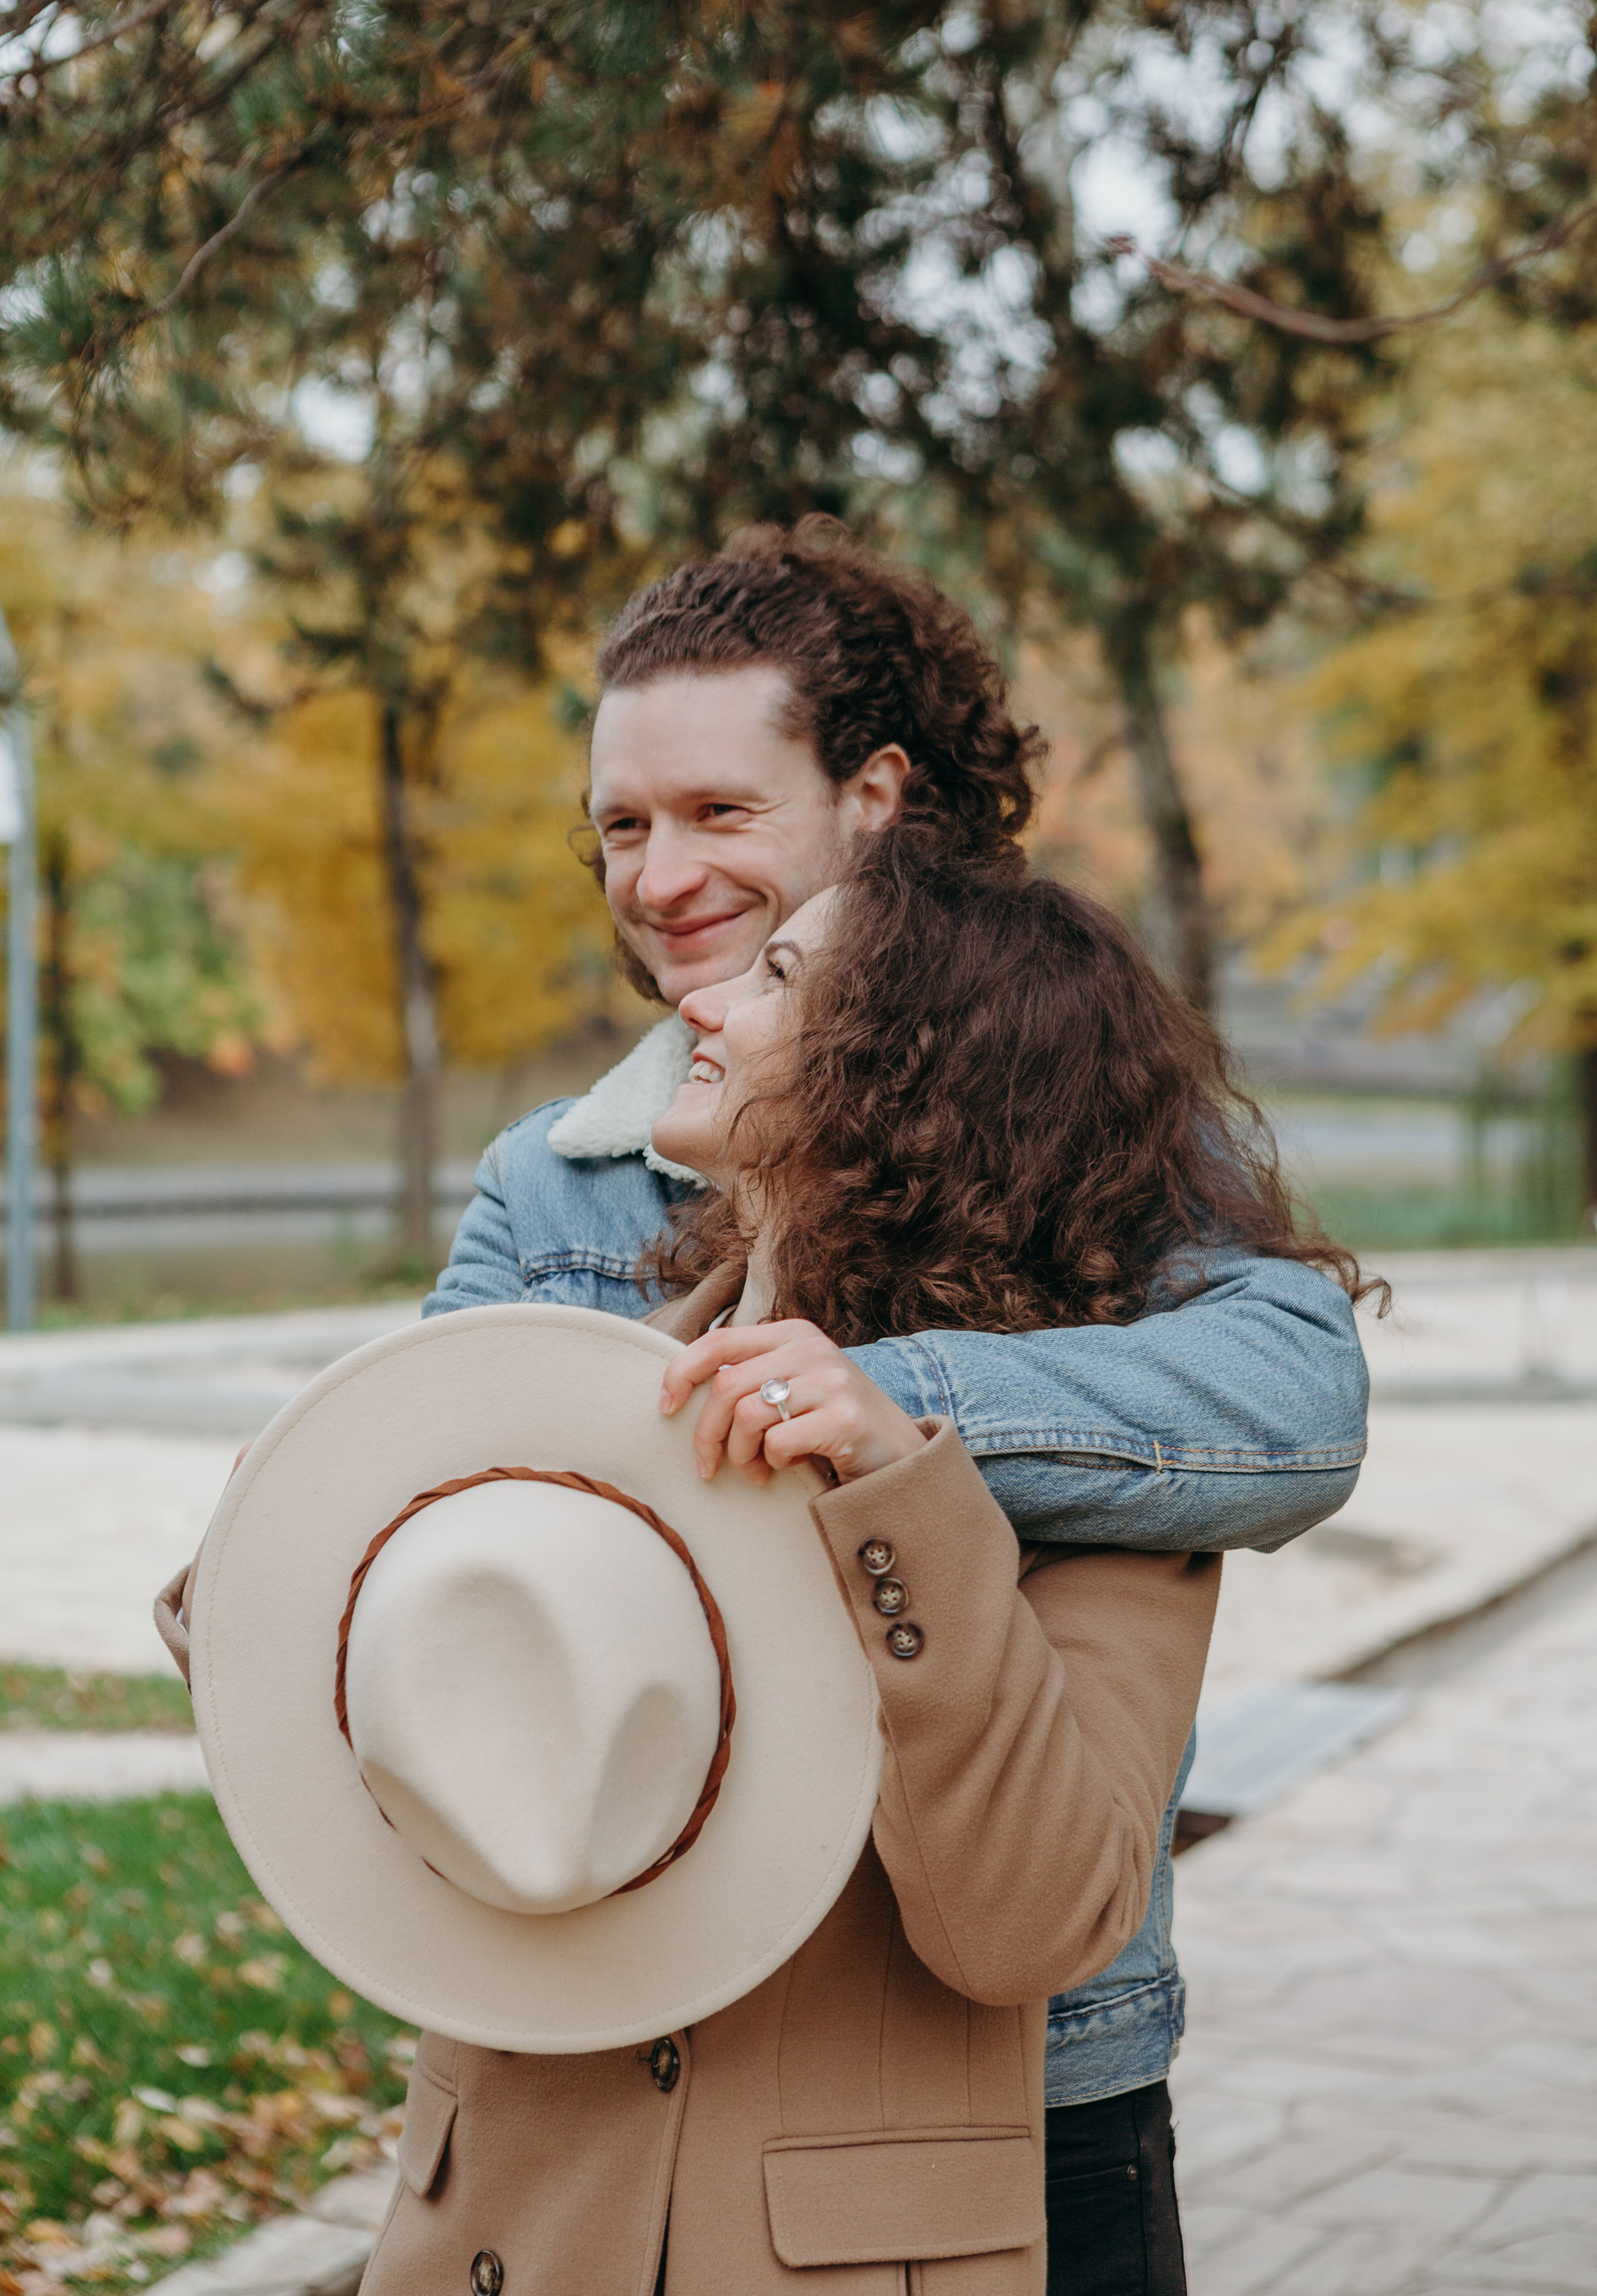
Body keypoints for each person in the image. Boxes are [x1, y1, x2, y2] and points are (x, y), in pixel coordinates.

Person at [425, 521, 1373, 2295]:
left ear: (873, 802)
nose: (658, 874)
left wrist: (889, 1412)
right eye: (622, 825)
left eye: (719, 812)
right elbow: (415, 1553)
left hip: (984, 2087)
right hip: (612, 2050)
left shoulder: (1062, 1152)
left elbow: (1297, 1397)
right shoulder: (550, 1187)